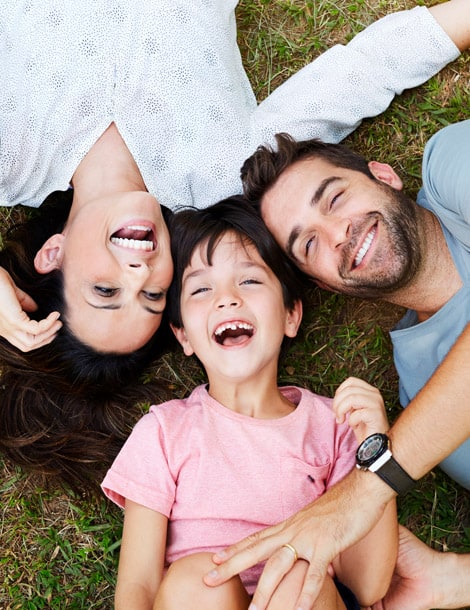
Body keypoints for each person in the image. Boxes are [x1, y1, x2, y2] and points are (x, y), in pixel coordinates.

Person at [0, 3, 466, 487]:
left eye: (104, 290)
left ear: (53, 253)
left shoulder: (13, 161)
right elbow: (360, 73)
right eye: (153, 297)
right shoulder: (222, 176)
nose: (138, 274)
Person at [201, 122, 470, 606]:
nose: (338, 234)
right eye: (309, 245)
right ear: (324, 284)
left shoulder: (452, 166)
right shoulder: (419, 394)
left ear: (384, 176)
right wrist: (452, 577)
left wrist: (364, 493)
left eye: (334, 198)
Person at [101, 197, 398, 610]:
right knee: (196, 580)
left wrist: (376, 450)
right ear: (184, 335)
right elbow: (139, 588)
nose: (227, 299)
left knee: (294, 577)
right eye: (202, 289)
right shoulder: (163, 431)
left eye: (250, 281)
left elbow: (367, 584)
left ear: (291, 315)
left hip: (302, 600)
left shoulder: (336, 425)